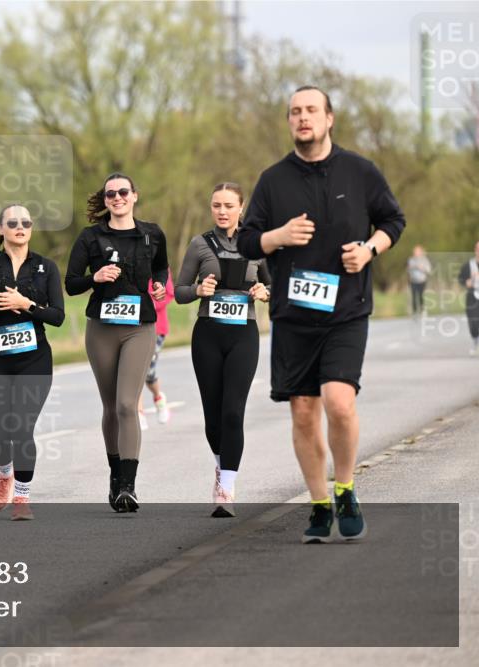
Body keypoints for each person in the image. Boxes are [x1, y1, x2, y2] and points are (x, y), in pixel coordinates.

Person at [237, 86, 406, 543]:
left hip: (347, 310)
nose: (303, 117)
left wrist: (370, 250)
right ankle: (317, 503)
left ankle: (346, 487)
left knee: (338, 401)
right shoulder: (273, 180)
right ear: (289, 122)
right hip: (293, 315)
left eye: (312, 110)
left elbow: (393, 221)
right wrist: (280, 236)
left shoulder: (360, 171)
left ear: (329, 118)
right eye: (295, 112)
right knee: (304, 411)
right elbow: (248, 241)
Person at [65, 172, 169, 513]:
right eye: (110, 194)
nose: (117, 197)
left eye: (123, 191)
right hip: (102, 329)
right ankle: (115, 474)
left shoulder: (152, 234)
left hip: (139, 327)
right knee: (110, 407)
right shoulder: (91, 237)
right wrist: (94, 277)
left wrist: (157, 286)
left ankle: (128, 486)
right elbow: (71, 284)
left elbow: (162, 271)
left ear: (135, 196)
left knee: (127, 404)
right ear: (106, 199)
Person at [176, 182, 271, 517]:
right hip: (208, 335)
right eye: (216, 205)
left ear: (240, 208)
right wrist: (199, 289)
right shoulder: (200, 244)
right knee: (213, 419)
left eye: (229, 205)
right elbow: (179, 291)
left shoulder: (257, 244)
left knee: (233, 412)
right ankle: (220, 464)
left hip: (244, 334)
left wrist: (264, 292)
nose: (222, 211)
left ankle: (227, 488)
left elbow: (273, 286)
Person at [0, 205, 65, 520]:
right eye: (13, 222)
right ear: (1, 229)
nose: (20, 227)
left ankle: (22, 497)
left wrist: (27, 304)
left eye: (26, 222)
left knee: (22, 427)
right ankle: (5, 473)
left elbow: (58, 316)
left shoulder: (45, 267)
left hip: (35, 357)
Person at [137, 273, 173, 430]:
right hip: (132, 327)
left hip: (156, 328)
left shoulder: (159, 266)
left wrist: (143, 303)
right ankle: (138, 413)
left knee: (148, 372)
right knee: (134, 370)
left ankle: (158, 398)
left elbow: (169, 294)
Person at [459, 240, 479, 355]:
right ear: (475, 250)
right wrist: (467, 282)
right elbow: (460, 278)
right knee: (473, 322)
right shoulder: (468, 265)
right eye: (478, 249)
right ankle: (475, 341)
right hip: (472, 296)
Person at [406, 245, 431, 316]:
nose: (416, 253)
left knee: (420, 295)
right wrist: (412, 267)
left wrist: (421, 268)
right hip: (413, 281)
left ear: (420, 252)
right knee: (413, 296)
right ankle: (414, 311)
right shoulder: (411, 260)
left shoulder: (424, 260)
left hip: (422, 280)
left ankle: (422, 310)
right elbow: (408, 269)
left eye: (417, 251)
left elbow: (428, 270)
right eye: (415, 251)